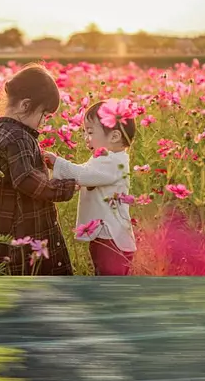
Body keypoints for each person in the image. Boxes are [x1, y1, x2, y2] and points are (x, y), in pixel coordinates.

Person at [0, 64, 78, 275]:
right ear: (25, 105)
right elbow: (26, 180)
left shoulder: (1, 128)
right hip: (24, 228)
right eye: (44, 114)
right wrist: (66, 187)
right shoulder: (19, 137)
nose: (43, 122)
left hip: (5, 228)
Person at [43, 101, 137, 276]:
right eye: (84, 132)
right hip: (105, 235)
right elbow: (86, 173)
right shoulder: (108, 158)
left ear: (115, 136)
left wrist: (57, 162)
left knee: (108, 284)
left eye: (90, 132)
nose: (86, 137)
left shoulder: (113, 162)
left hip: (111, 239)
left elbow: (84, 175)